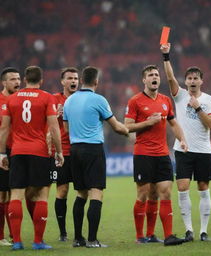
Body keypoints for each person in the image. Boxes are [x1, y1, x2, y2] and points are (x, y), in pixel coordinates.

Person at [63, 66, 129, 248]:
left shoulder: (69, 101)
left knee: (80, 193)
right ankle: (92, 240)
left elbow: (66, 129)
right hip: (93, 149)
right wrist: (127, 130)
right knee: (96, 193)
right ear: (96, 81)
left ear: (81, 80)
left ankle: (78, 239)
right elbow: (116, 127)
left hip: (74, 150)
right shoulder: (99, 100)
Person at [0, 66, 64, 250]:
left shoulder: (11, 99)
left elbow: (4, 129)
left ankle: (17, 241)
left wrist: (2, 153)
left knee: (16, 195)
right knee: (42, 195)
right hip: (39, 152)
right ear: (41, 80)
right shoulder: (47, 97)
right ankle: (37, 241)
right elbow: (54, 128)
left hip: (17, 152)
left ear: (25, 79)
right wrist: (59, 152)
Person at [125, 64, 188, 246]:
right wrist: (147, 122)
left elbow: (173, 123)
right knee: (144, 194)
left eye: (156, 75)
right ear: (144, 80)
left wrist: (182, 139)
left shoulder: (165, 100)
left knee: (164, 192)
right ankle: (140, 236)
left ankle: (165, 236)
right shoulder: (135, 101)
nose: (155, 77)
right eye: (150, 75)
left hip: (162, 154)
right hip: (143, 154)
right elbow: (127, 126)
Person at [160, 43, 211, 242]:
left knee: (203, 188)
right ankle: (189, 230)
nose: (192, 81)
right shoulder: (180, 95)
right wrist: (166, 56)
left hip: (203, 150)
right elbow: (169, 77)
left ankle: (203, 231)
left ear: (201, 80)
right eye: (189, 78)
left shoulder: (209, 100)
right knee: (183, 187)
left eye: (196, 78)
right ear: (186, 81)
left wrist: (198, 108)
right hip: (183, 150)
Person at [51, 67, 79, 242]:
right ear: (62, 82)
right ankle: (62, 232)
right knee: (62, 190)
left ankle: (79, 233)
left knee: (82, 191)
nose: (73, 81)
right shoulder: (53, 99)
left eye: (76, 78)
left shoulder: (82, 99)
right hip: (61, 152)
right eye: (69, 78)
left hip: (79, 150)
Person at [0, 67, 21, 246]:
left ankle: (14, 234)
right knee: (3, 195)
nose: (17, 82)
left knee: (14, 193)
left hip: (18, 151)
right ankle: (1, 236)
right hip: (3, 152)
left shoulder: (20, 100)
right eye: (13, 79)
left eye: (18, 79)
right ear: (4, 83)